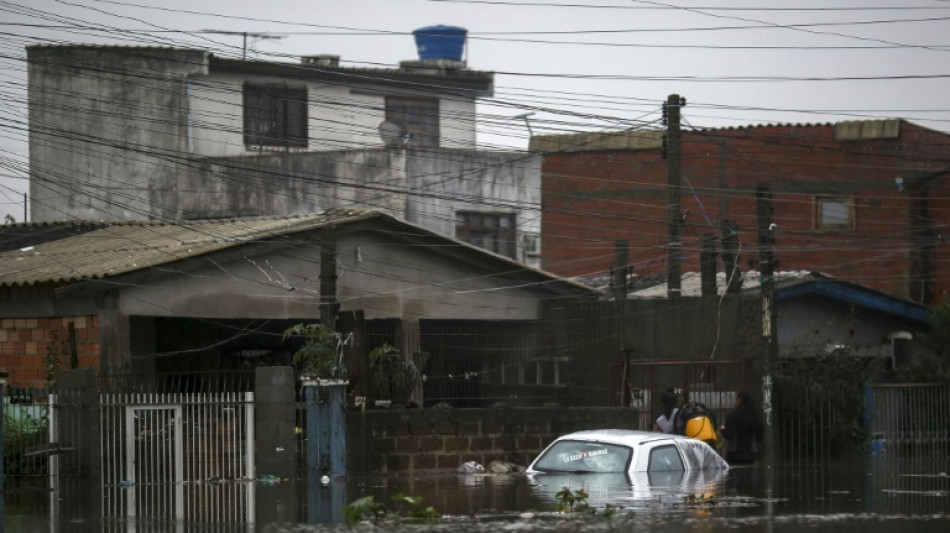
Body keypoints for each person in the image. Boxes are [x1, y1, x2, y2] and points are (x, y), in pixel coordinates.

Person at [720, 390, 764, 464]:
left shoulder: (732, 416)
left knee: (735, 474)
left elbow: (728, 435)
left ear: (739, 400)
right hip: (750, 453)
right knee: (750, 473)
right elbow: (760, 435)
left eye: (736, 399)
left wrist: (722, 430)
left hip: (734, 453)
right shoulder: (754, 416)